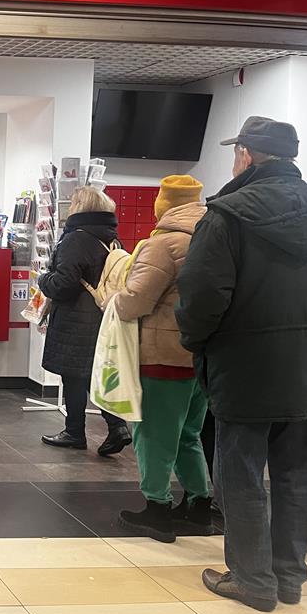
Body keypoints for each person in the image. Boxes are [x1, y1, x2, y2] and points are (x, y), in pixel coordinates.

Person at [176, 116, 307, 612]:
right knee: (297, 473)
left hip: (243, 364)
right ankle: (289, 577)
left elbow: (201, 297)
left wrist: (197, 344)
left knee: (240, 473)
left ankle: (253, 579)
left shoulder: (226, 215)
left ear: (247, 156)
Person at [111, 176, 212, 543]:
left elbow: (136, 300)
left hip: (162, 356)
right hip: (201, 356)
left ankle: (157, 509)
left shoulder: (163, 243)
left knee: (153, 434)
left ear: (164, 204)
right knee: (188, 434)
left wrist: (112, 300)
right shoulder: (215, 237)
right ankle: (200, 505)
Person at [39, 186, 132, 456]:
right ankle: (117, 426)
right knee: (93, 374)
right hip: (103, 315)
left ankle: (75, 432)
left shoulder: (75, 239)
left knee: (74, 377)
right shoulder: (111, 239)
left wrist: (43, 279)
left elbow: (64, 283)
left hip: (76, 319)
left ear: (80, 207)